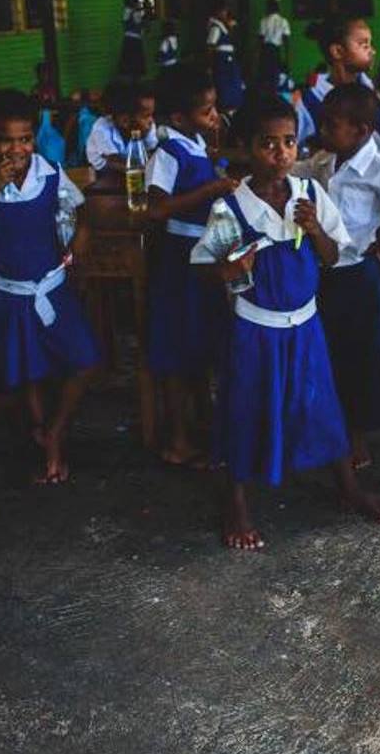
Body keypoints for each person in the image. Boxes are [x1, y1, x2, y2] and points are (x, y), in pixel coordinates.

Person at [191, 99, 380, 549]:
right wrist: (229, 268)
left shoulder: (309, 195)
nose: (280, 153)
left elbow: (333, 256)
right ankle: (236, 502)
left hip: (305, 326)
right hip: (253, 329)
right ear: (245, 148)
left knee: (322, 403)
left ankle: (347, 485)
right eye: (267, 144)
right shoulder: (233, 207)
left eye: (288, 142)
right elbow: (205, 268)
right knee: (245, 407)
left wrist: (317, 229)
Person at [0, 92, 101, 486]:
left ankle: (55, 428)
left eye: (25, 139)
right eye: (7, 140)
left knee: (85, 359)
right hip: (10, 294)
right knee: (29, 374)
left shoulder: (51, 172)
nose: (17, 148)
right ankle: (49, 448)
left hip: (52, 289)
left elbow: (81, 208)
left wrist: (81, 235)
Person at [295, 83, 380, 469]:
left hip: (358, 278)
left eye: (331, 125)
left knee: (360, 359)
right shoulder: (326, 160)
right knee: (325, 354)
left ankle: (356, 438)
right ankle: (324, 429)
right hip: (320, 276)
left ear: (361, 131)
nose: (322, 131)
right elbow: (298, 170)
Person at [144, 65, 236, 468]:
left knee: (200, 345)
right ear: (179, 118)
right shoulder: (166, 152)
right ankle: (177, 440)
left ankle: (202, 424)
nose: (214, 117)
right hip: (180, 259)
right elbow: (156, 209)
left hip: (204, 254)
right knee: (178, 351)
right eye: (206, 111)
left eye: (214, 108)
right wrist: (210, 188)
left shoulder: (195, 143)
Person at [300, 13, 376, 128]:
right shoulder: (310, 102)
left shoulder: (373, 91)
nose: (372, 51)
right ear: (337, 51)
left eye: (370, 44)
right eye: (364, 45)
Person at [84, 77, 159, 175]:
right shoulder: (102, 129)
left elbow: (151, 152)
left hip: (132, 167)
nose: (151, 120)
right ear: (125, 120)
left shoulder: (148, 127)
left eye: (152, 115)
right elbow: (116, 163)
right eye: (146, 116)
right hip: (104, 172)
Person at [205, 0, 245, 111]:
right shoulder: (215, 28)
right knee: (225, 87)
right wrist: (209, 66)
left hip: (229, 62)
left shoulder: (223, 27)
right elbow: (210, 47)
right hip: (222, 62)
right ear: (218, 12)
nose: (225, 14)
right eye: (224, 11)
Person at [257, 0, 291, 85]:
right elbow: (286, 41)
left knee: (265, 76)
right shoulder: (283, 21)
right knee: (276, 76)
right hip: (276, 51)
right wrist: (287, 58)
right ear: (277, 8)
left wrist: (257, 57)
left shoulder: (263, 21)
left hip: (265, 51)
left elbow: (260, 40)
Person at [119, 0, 149, 78]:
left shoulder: (126, 11)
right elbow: (140, 25)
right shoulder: (135, 12)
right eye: (137, 1)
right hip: (135, 40)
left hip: (128, 39)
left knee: (128, 64)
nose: (138, 3)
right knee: (135, 65)